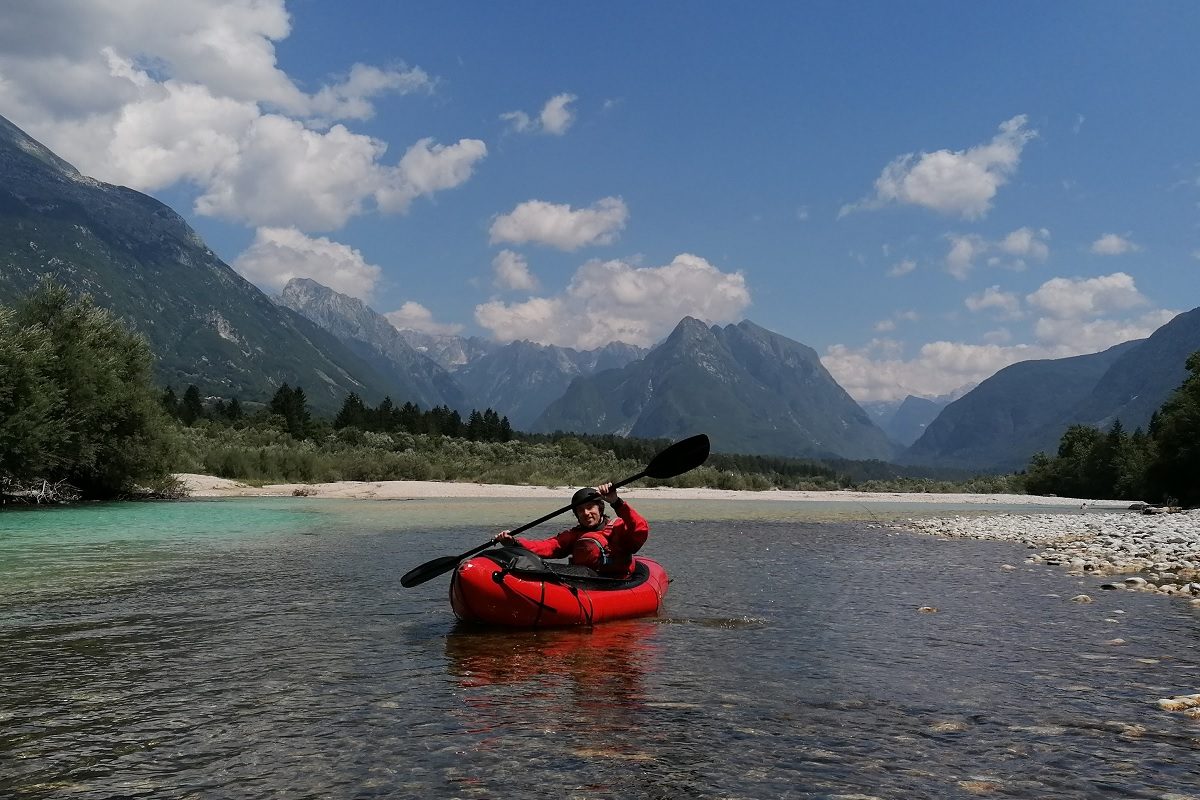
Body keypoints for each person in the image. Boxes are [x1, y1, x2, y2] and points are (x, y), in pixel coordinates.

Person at [495, 482, 649, 578]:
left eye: (590, 507)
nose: (586, 513)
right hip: (586, 582)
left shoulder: (617, 528)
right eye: (580, 510)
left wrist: (616, 502)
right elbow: (548, 546)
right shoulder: (574, 535)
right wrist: (514, 542)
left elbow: (640, 529)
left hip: (617, 582)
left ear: (600, 508)